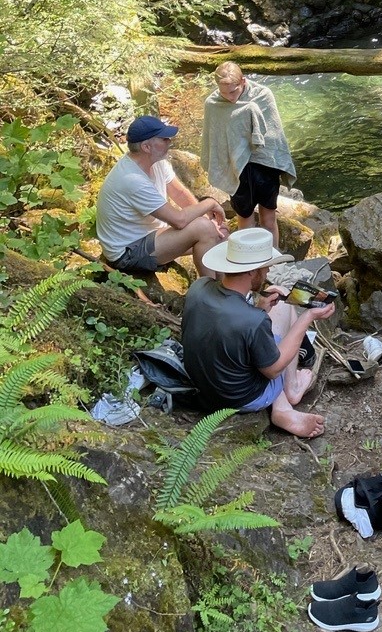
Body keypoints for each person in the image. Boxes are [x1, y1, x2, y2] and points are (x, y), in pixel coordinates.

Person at [180, 226, 335, 438]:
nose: (268, 273)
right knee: (284, 320)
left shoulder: (199, 287)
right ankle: (289, 394)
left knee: (278, 295)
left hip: (205, 387)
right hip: (244, 398)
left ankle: (285, 402)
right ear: (253, 271)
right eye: (265, 268)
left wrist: (260, 308)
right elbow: (273, 370)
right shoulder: (253, 320)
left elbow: (228, 329)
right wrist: (308, 317)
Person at [96, 115, 229, 278]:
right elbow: (179, 220)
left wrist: (210, 219)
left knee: (220, 231)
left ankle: (226, 290)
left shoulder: (156, 162)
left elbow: (180, 194)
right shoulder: (132, 180)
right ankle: (211, 295)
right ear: (146, 147)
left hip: (151, 236)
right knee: (204, 228)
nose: (169, 141)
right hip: (128, 253)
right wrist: (210, 203)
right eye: (164, 139)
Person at [202, 62, 296, 246]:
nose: (229, 98)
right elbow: (215, 138)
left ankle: (272, 263)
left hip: (265, 164)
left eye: (233, 91)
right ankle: (249, 266)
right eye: (223, 92)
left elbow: (273, 136)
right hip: (237, 169)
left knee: (268, 217)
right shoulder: (213, 104)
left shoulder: (262, 95)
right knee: (244, 218)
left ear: (243, 81)